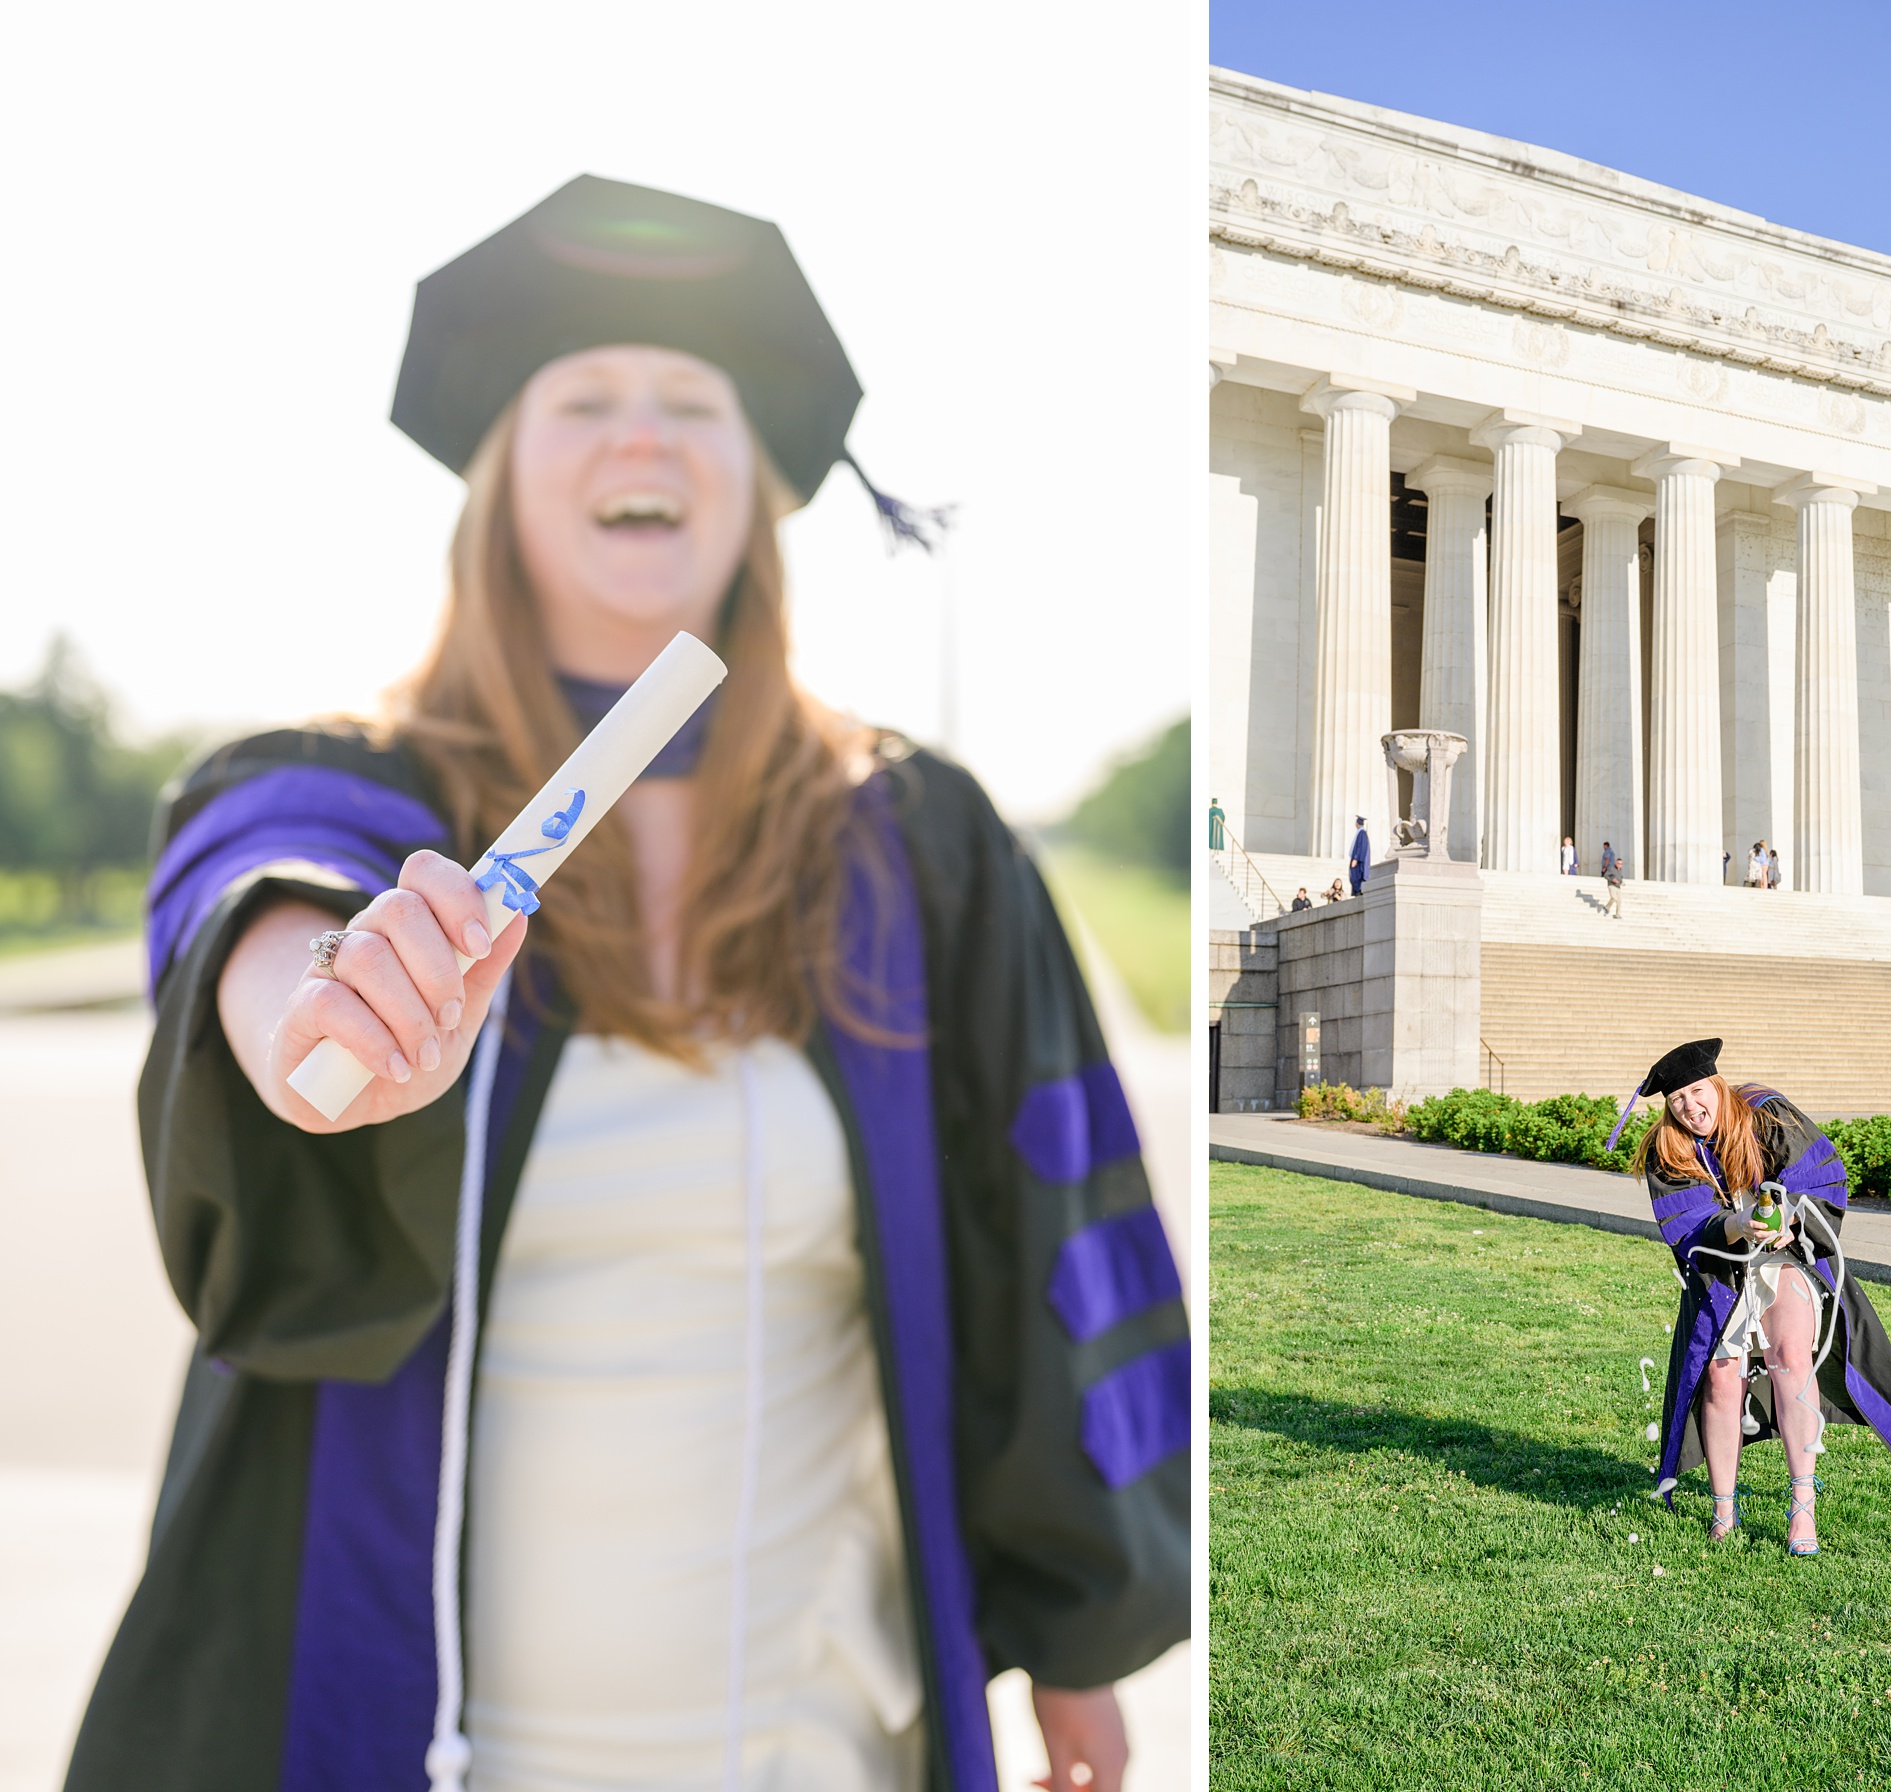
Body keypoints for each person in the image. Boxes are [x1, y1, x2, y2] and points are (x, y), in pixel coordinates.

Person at [69, 178, 1186, 1792]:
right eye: (583, 399)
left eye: (692, 404)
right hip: (420, 1728)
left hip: (820, 1730)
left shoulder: (912, 842)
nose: (641, 438)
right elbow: (267, 908)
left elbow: (1048, 1228)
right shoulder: (350, 795)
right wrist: (332, 1014)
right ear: (501, 477)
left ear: (760, 481)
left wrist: (1085, 1634)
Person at [1620, 1038, 1891, 1555]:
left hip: (1789, 1256)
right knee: (1718, 1376)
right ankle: (1723, 1509)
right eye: (1677, 1102)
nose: (1691, 1108)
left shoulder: (1766, 1114)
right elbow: (1688, 1230)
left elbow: (1823, 1177)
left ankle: (1802, 1506)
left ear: (1715, 1084)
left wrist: (1791, 1218)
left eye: (1697, 1093)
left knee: (1789, 1353)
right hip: (1723, 1269)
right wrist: (1737, 1224)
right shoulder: (1666, 1151)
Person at [1599, 841, 1624, 919]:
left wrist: (1622, 882)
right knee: (1614, 898)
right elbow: (1606, 875)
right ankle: (1607, 907)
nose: (1620, 865)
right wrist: (1612, 879)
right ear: (1616, 863)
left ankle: (1618, 915)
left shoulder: (1620, 870)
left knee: (1619, 901)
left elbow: (1621, 877)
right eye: (1618, 863)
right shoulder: (1611, 868)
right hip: (1612, 885)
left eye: (1621, 864)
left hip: (1618, 886)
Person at [1348, 814, 1371, 896]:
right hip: (1358, 859)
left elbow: (1360, 847)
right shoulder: (1360, 833)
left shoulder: (1362, 833)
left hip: (1359, 861)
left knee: (1356, 875)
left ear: (1357, 823)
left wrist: (1356, 858)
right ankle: (1357, 891)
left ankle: (1359, 890)